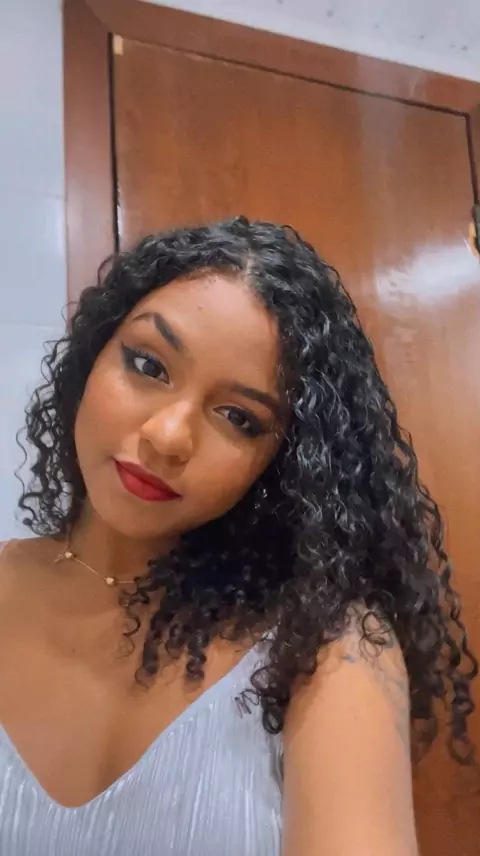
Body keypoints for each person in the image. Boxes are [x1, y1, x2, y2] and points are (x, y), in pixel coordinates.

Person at [0, 217, 475, 856]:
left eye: (238, 418)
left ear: (278, 462)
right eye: (148, 364)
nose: (169, 436)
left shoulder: (326, 648)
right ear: (92, 356)